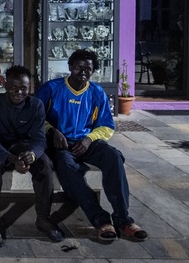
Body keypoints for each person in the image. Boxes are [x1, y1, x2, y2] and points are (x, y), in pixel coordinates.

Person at [36, 49, 148, 242]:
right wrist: (52, 131)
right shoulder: (51, 88)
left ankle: (123, 220)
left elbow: (107, 126)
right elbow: (35, 117)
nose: (82, 72)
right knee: (66, 166)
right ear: (70, 67)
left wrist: (88, 139)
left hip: (86, 142)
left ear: (93, 71)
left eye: (87, 68)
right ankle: (101, 220)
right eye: (78, 67)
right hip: (60, 144)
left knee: (114, 156)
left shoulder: (96, 92)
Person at [0, 65, 64, 248]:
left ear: (29, 87)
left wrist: (32, 154)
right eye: (14, 87)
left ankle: (43, 218)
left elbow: (39, 139)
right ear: (5, 85)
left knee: (45, 164)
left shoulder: (36, 105)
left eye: (24, 88)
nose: (19, 92)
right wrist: (13, 159)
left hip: (20, 144)